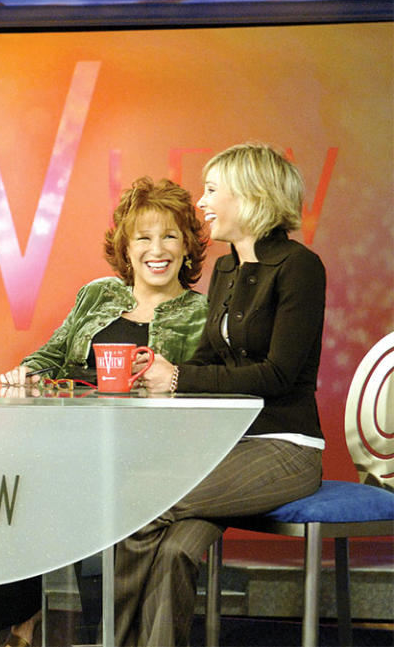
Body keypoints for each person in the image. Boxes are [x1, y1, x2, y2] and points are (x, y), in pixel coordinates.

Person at [117, 143, 326, 646]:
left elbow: (276, 375)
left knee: (142, 505)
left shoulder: (300, 267)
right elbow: (214, 360)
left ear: (251, 196)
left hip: (286, 448)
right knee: (174, 552)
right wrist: (162, 375)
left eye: (212, 190)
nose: (201, 202)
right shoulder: (227, 269)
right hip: (227, 448)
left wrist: (179, 380)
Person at [0, 177, 209, 647]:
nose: (157, 249)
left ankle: (101, 633)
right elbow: (48, 356)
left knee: (93, 495)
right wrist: (26, 373)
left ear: (188, 247)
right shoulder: (98, 295)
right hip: (75, 441)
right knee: (15, 477)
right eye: (143, 237)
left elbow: (204, 398)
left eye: (170, 235)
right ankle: (24, 624)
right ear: (125, 248)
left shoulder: (202, 314)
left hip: (148, 455)